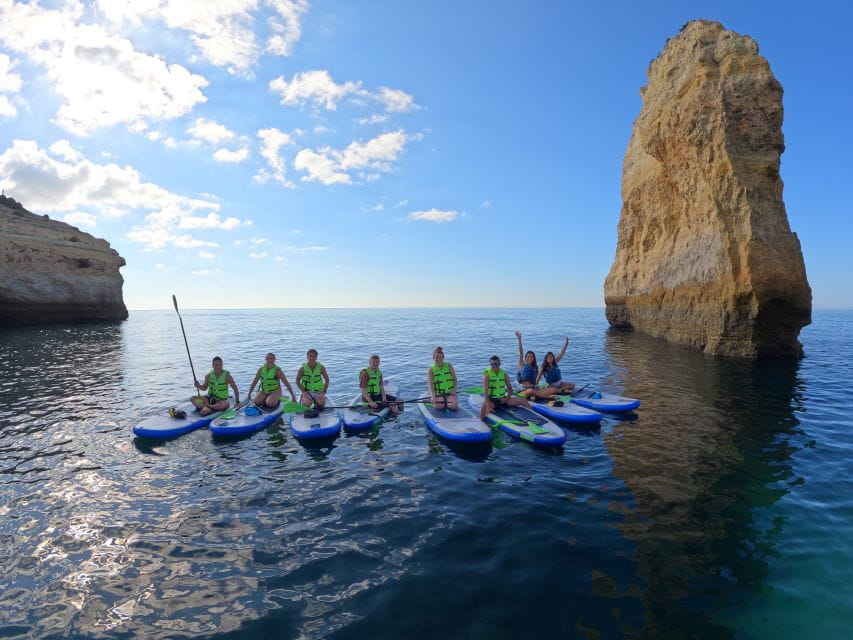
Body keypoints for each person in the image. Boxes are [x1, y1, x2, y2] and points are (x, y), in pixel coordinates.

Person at [479, 355, 531, 420]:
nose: (494, 366)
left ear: (499, 364)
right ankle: (481, 422)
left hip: (502, 398)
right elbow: (486, 393)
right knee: (483, 409)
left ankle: (532, 418)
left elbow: (510, 390)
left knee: (524, 400)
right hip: (492, 400)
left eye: (496, 364)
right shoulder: (487, 376)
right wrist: (488, 406)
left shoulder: (504, 375)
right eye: (492, 364)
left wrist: (506, 399)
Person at [514, 330, 551, 400]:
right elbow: (521, 353)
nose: (529, 358)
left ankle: (536, 395)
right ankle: (546, 397)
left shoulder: (535, 367)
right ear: (525, 358)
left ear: (533, 359)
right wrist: (519, 339)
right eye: (528, 356)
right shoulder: (522, 365)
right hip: (523, 389)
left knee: (549, 388)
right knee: (531, 391)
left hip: (533, 388)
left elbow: (536, 380)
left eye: (531, 357)